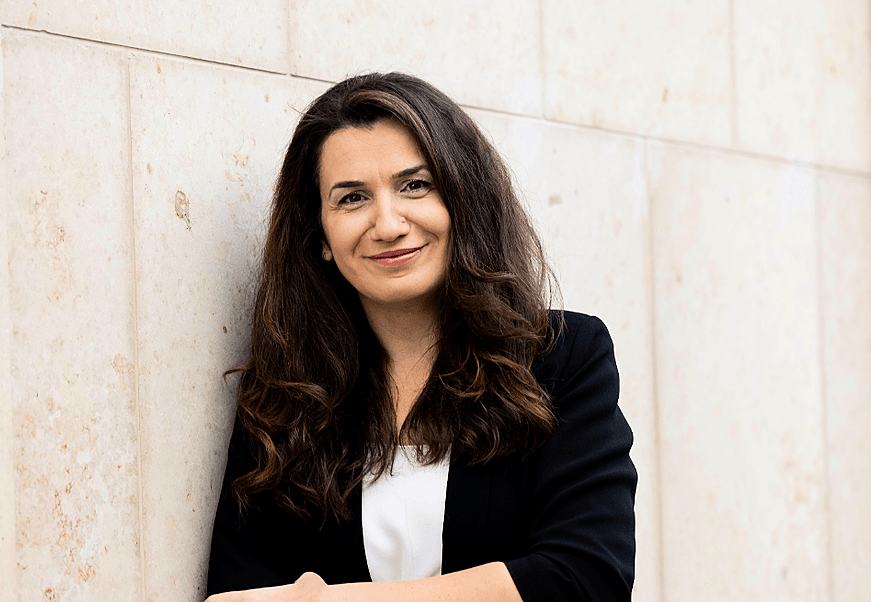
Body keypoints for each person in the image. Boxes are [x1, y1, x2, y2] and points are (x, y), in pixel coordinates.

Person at [206, 73, 636, 602]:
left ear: (462, 201)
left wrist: (326, 600)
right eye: (352, 198)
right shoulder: (287, 395)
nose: (388, 224)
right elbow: (238, 593)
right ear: (319, 235)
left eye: (415, 185)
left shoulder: (561, 359)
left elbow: (585, 580)